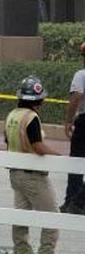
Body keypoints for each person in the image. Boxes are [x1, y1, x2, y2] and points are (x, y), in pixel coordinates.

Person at [6, 75, 58, 254]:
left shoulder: (12, 115)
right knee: (53, 218)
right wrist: (58, 157)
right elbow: (37, 146)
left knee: (21, 217)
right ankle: (46, 251)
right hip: (32, 175)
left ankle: (21, 251)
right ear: (40, 100)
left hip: (15, 174)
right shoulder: (31, 117)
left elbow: (8, 141)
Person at [63, 42, 85, 215]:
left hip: (84, 121)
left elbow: (76, 97)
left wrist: (69, 121)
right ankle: (76, 202)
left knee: (76, 161)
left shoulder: (81, 74)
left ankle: (73, 200)